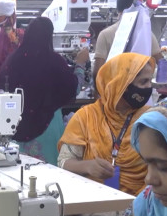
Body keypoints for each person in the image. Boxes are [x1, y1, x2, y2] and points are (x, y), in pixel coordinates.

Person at [58, 52, 154, 195]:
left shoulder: (151, 120)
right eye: (143, 82)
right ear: (121, 84)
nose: (149, 87)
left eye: (150, 81)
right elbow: (64, 162)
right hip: (94, 200)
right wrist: (87, 166)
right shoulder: (86, 117)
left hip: (141, 202)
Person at [0, 17, 86, 165]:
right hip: (47, 126)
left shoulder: (12, 60)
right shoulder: (54, 61)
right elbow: (74, 88)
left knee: (18, 170)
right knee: (48, 172)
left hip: (15, 126)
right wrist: (80, 65)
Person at [93, 0, 167, 81]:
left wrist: (99, 90)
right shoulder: (146, 35)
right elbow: (162, 63)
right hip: (140, 87)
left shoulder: (105, 34)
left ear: (119, 10)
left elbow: (97, 71)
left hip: (114, 87)